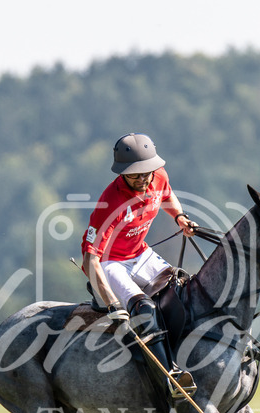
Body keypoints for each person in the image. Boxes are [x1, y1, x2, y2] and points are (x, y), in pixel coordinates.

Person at [81, 132, 199, 399]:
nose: (143, 179)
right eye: (134, 175)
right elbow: (91, 257)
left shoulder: (158, 177)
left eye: (146, 172)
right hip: (111, 263)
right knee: (144, 308)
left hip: (140, 253)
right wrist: (110, 301)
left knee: (183, 290)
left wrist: (180, 217)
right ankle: (169, 377)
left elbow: (167, 196)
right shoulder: (110, 201)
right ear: (122, 173)